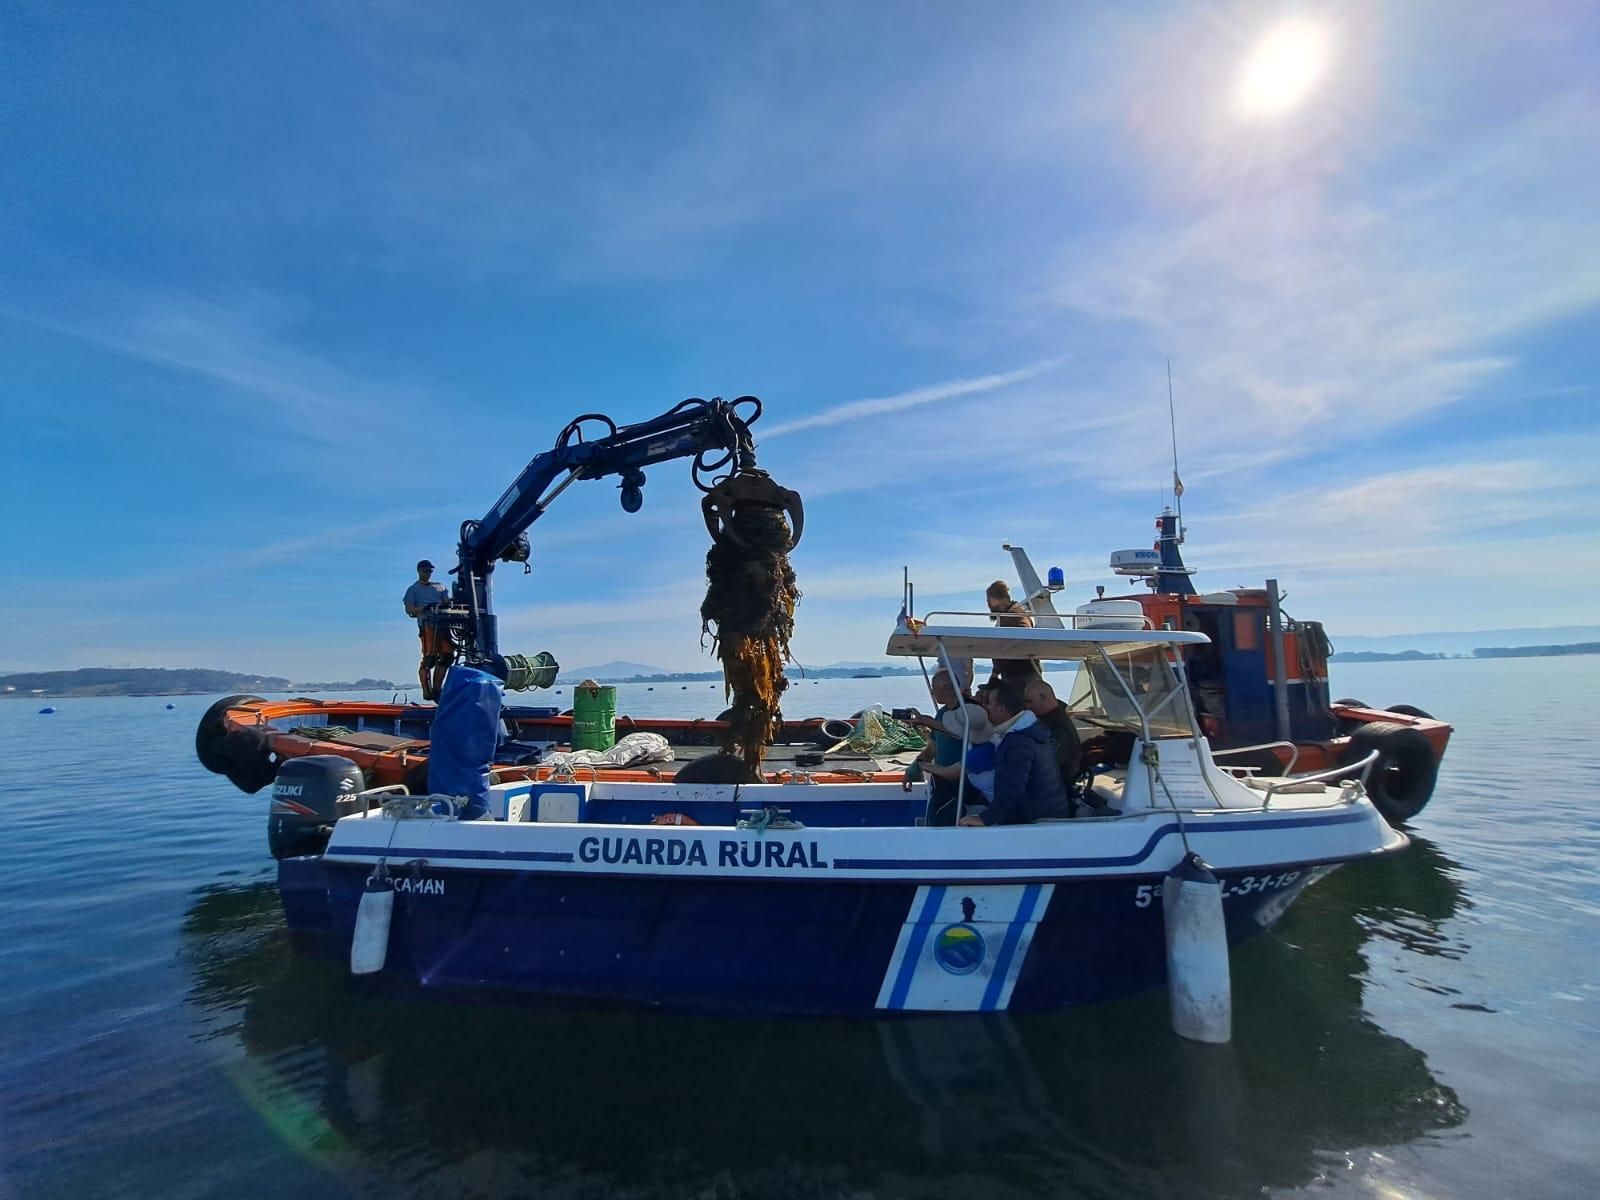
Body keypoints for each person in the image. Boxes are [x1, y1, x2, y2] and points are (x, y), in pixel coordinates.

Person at [959, 679, 1070, 826]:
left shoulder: (1018, 742)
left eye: (990, 703)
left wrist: (985, 819)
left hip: (1038, 821)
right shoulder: (1032, 729)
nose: (987, 708)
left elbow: (1013, 788)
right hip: (1050, 813)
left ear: (1001, 709)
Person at [906, 670, 994, 824]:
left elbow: (959, 734)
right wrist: (912, 769)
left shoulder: (970, 714)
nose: (932, 692)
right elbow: (932, 748)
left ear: (946, 687)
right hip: (941, 783)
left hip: (963, 787)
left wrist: (922, 766)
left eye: (934, 688)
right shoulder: (941, 713)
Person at [1023, 678, 1094, 813]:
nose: (1027, 706)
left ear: (1043, 697)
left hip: (1057, 790)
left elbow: (1050, 764)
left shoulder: (1058, 728)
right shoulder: (1047, 720)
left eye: (1030, 702)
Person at [403, 559, 453, 701]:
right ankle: (426, 691)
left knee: (447, 656)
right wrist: (424, 608)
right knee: (429, 658)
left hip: (444, 624)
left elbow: (446, 602)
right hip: (428, 625)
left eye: (430, 571)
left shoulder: (439, 587)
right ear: (419, 571)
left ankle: (437, 688)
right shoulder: (413, 590)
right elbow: (410, 609)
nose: (428, 573)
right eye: (425, 571)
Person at [984, 580, 1039, 686]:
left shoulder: (1014, 615)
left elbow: (1025, 633)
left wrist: (1004, 650)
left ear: (993, 600)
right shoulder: (1008, 615)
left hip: (1021, 674)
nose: (988, 605)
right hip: (1014, 673)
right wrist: (995, 673)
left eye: (988, 601)